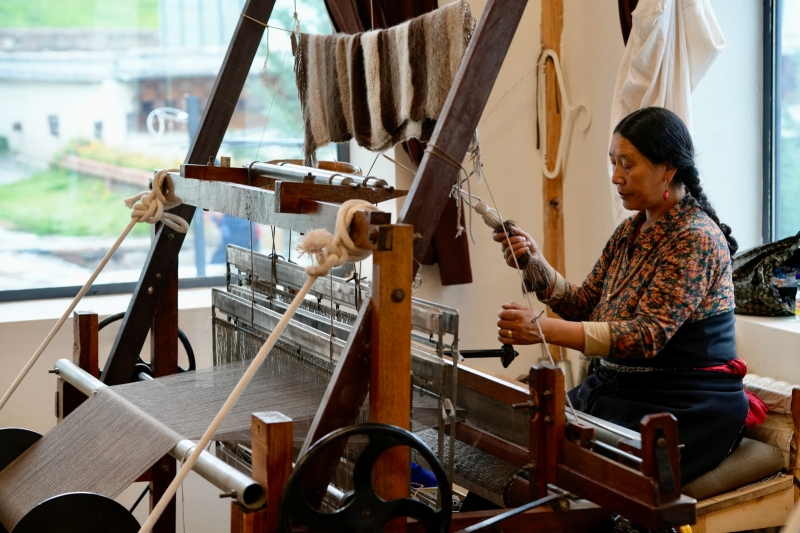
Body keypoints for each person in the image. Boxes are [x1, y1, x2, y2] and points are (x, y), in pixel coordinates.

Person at [494, 107, 749, 484]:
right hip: (622, 391)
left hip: (684, 405)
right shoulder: (631, 231)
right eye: (613, 163)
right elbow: (585, 304)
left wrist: (543, 330)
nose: (616, 177)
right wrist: (536, 264)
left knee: (567, 476)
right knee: (516, 447)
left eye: (627, 165)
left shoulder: (695, 238)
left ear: (668, 168)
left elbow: (646, 337)